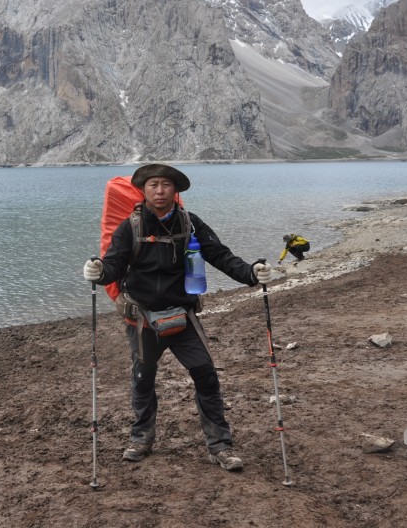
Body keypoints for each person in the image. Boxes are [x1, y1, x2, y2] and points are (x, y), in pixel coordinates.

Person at [82, 163, 272, 472]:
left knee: (206, 375)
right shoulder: (130, 227)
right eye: (153, 185)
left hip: (183, 317)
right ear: (143, 191)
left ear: (176, 191)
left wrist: (251, 273)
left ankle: (220, 447)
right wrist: (100, 272)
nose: (160, 190)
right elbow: (114, 265)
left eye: (166, 185)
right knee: (143, 380)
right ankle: (141, 439)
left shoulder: (190, 223)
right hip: (142, 319)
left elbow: (220, 256)